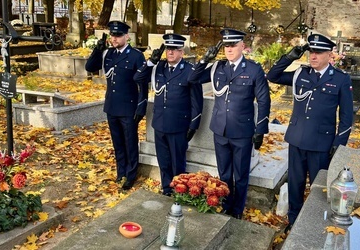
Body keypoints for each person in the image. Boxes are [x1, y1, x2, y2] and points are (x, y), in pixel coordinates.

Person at [266, 34, 353, 230]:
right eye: (311, 52)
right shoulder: (300, 74)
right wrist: (290, 57)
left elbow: (347, 116)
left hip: (322, 143)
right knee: (295, 184)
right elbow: (272, 76)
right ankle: (294, 221)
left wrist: (339, 144)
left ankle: (315, 222)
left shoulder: (340, 79)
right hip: (297, 139)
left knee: (318, 187)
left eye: (318, 52)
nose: (312, 56)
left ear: (330, 55)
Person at [187, 28, 271, 219]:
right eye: (226, 45)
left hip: (242, 131)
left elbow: (264, 100)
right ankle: (225, 205)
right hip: (220, 129)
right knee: (224, 173)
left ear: (243, 46)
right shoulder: (218, 67)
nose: (229, 49)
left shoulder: (253, 69)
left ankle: (237, 210)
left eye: (233, 45)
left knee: (240, 175)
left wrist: (261, 129)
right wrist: (204, 60)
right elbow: (192, 79)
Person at [133, 34, 203, 196]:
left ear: (182, 53)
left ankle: (179, 192)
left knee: (178, 163)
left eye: (175, 50)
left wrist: (193, 125)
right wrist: (151, 62)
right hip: (160, 124)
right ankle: (167, 189)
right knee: (163, 161)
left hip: (179, 125)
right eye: (168, 49)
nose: (170, 53)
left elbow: (197, 101)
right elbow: (138, 78)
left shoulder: (189, 71)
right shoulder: (159, 67)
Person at [85, 21, 147, 190]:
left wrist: (141, 106)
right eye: (112, 35)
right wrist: (97, 50)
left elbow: (143, 84)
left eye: (118, 35)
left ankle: (131, 174)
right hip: (112, 106)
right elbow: (90, 67)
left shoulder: (135, 56)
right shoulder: (108, 54)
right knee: (117, 142)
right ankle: (121, 172)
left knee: (130, 142)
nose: (114, 38)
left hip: (128, 107)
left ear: (127, 36)